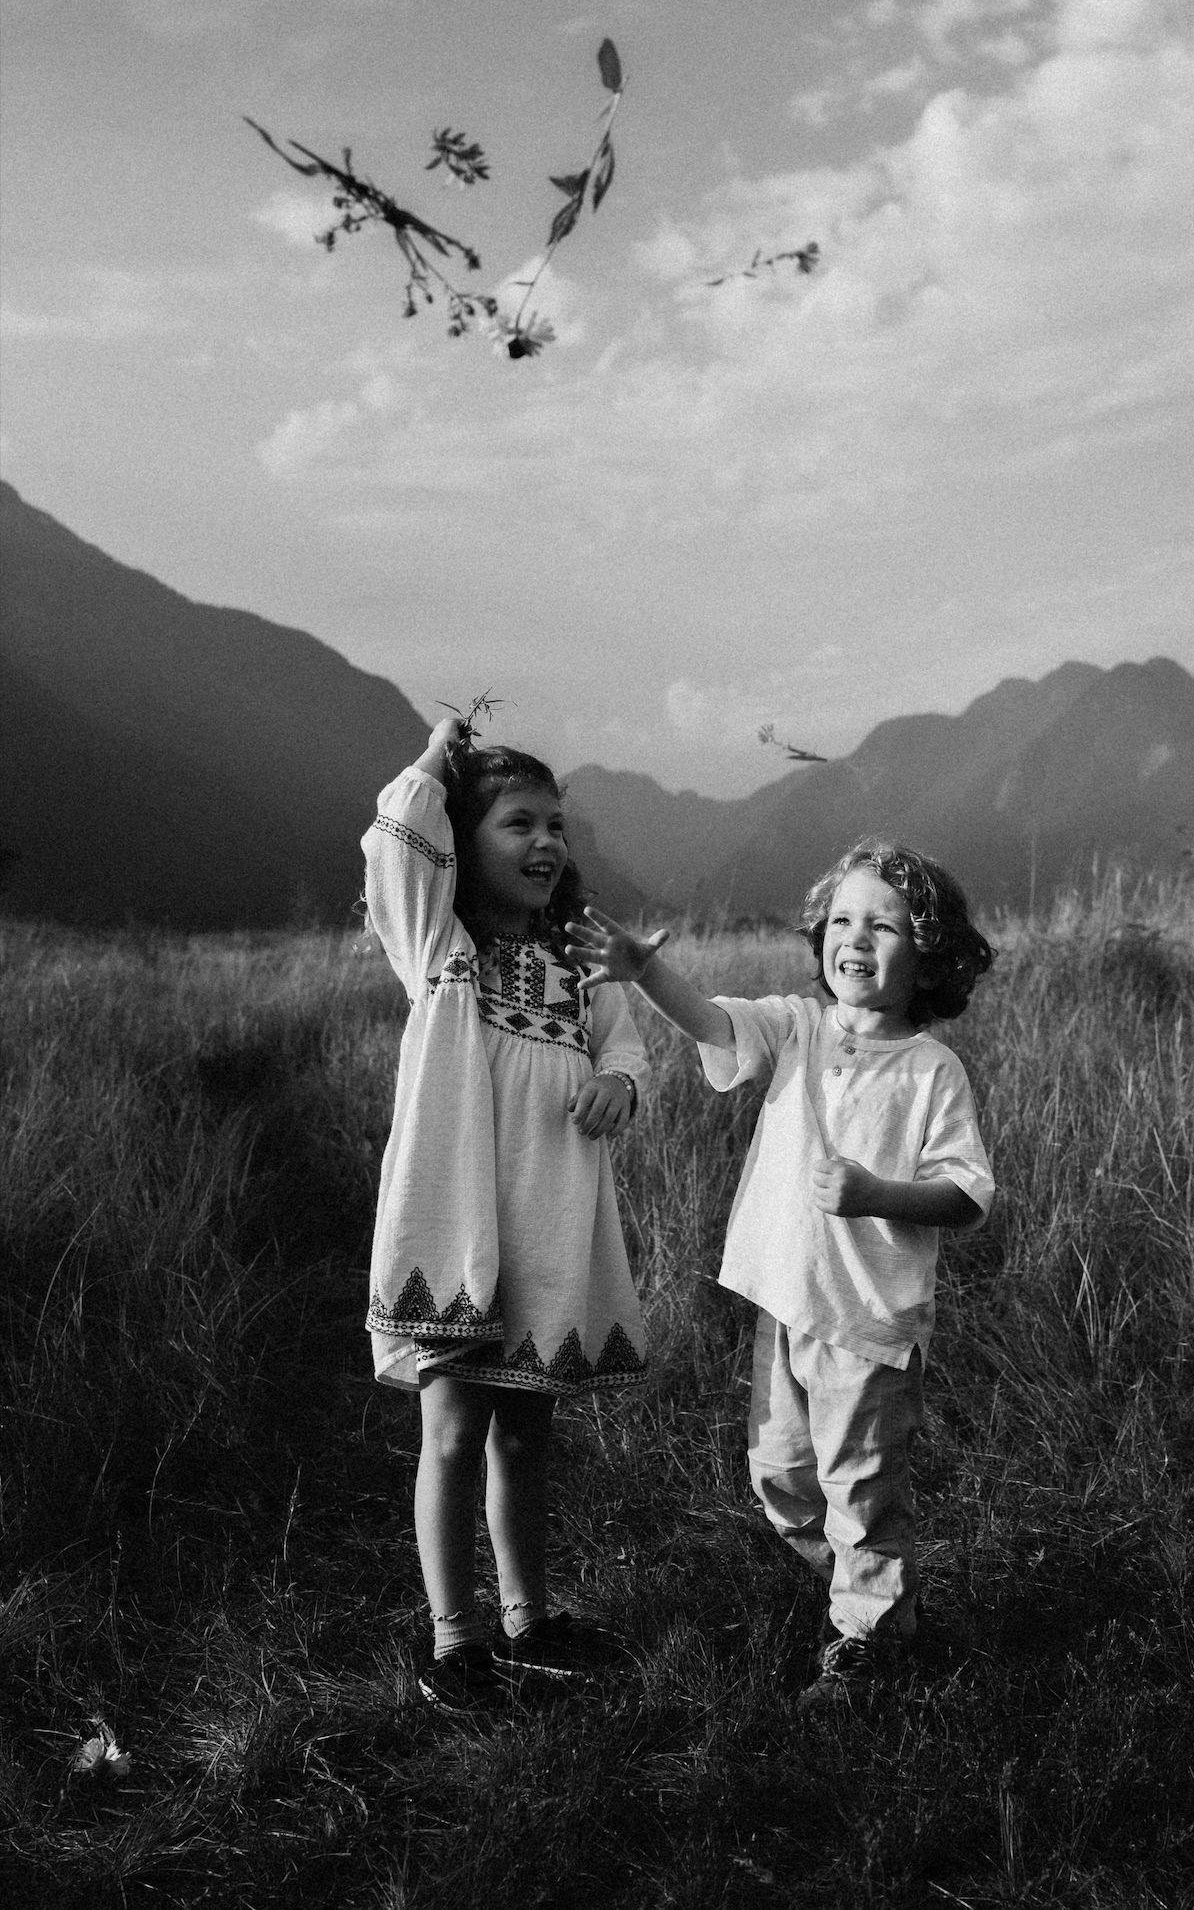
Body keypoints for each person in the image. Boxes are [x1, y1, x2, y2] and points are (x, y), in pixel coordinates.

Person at [566, 840, 994, 1711]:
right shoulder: (798, 1027)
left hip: (869, 1327)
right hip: (788, 1307)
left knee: (859, 1488)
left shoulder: (931, 1071)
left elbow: (967, 1195)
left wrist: (879, 1193)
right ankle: (869, 1594)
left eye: (884, 924)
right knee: (780, 1478)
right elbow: (716, 1027)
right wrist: (645, 971)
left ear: (929, 951)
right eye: (842, 920)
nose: (856, 939)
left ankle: (867, 1638)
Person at [362, 714, 650, 1714]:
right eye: (517, 821)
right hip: (459, 1227)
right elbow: (395, 833)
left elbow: (625, 1045)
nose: (545, 842)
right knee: (452, 1431)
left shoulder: (577, 963)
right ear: (463, 840)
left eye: (557, 824)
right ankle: (455, 1638)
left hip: (549, 1224)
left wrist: (619, 1082)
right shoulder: (440, 951)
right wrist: (439, 754)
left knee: (527, 1432)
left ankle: (530, 1617)